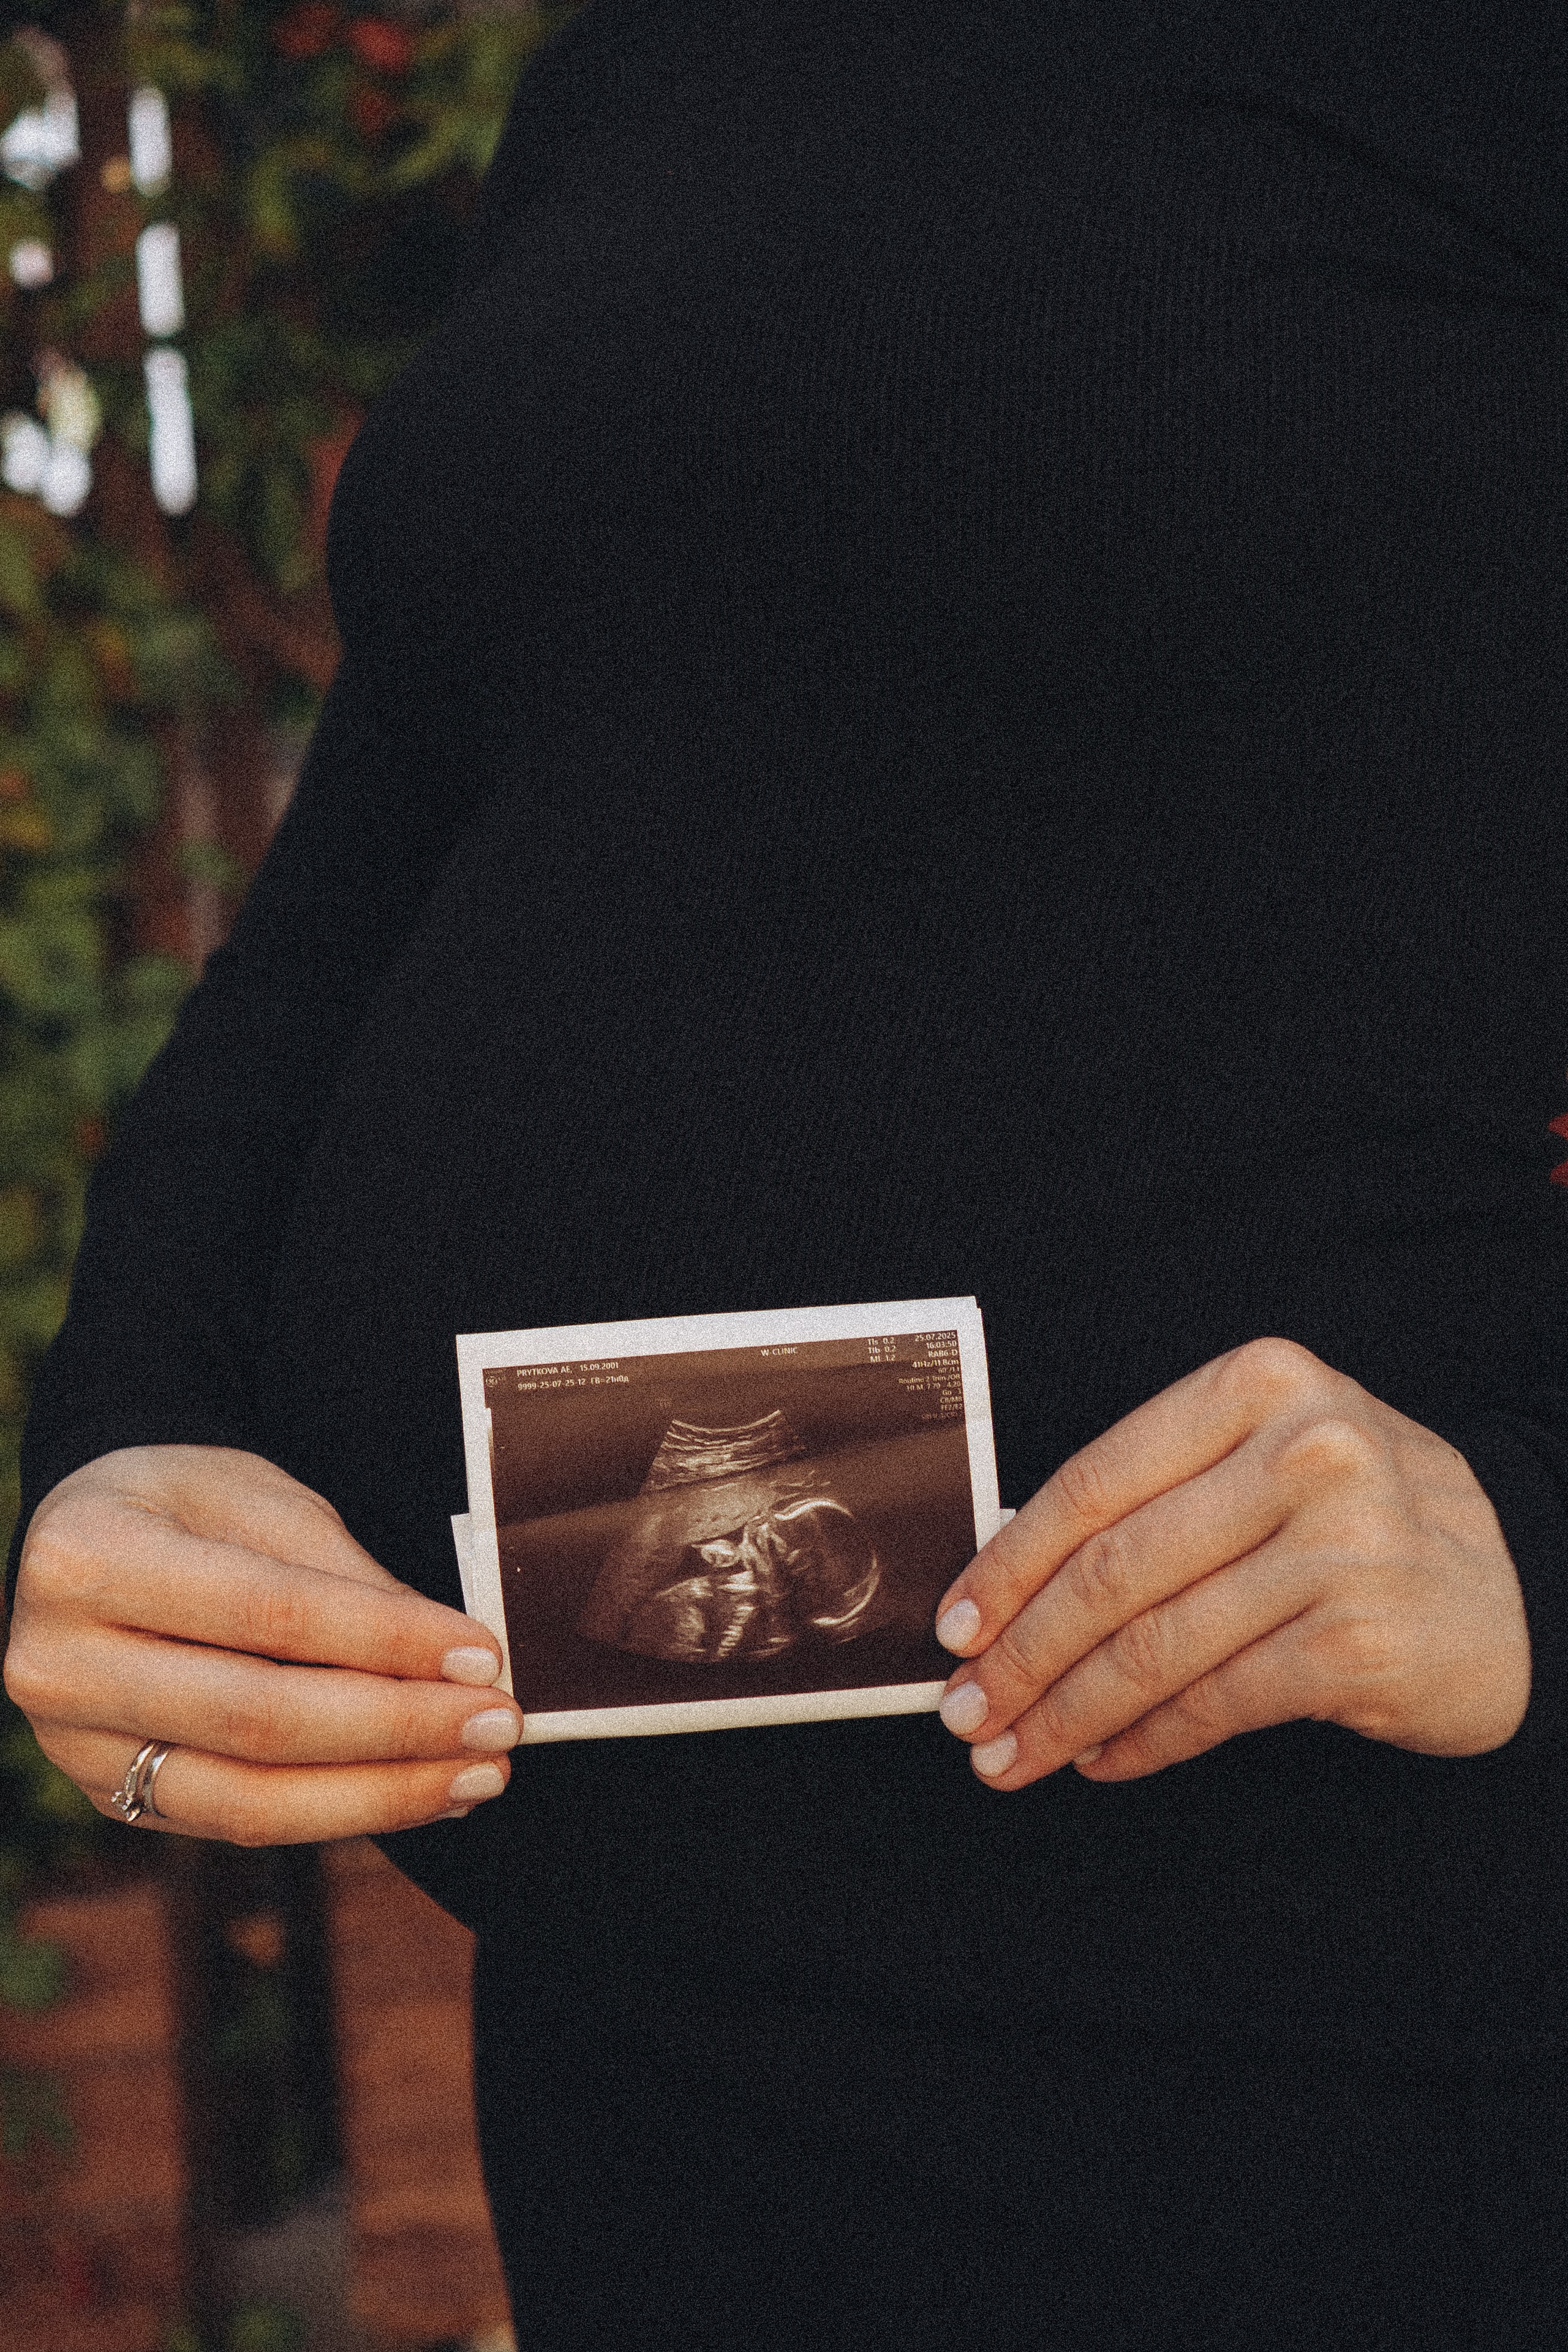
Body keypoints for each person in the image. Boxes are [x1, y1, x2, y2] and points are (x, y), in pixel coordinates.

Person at [5, 2, 1567, 2343]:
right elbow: (373, 878)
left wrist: (1540, 1538)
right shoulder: (646, 62)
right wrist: (125, 1434)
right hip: (650, 2076)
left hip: (1334, 2080)